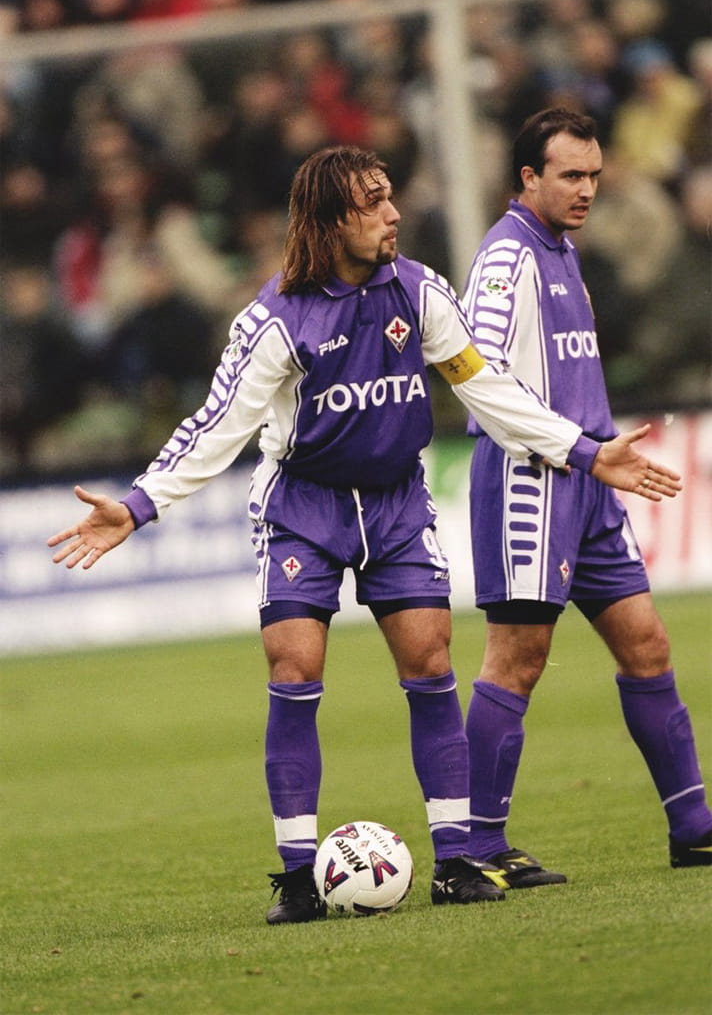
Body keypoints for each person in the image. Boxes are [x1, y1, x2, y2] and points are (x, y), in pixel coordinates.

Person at [48, 146, 681, 925]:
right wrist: (139, 505)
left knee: (431, 659)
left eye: (390, 197)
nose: (393, 213)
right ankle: (295, 877)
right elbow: (219, 424)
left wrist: (584, 452)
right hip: (303, 509)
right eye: (373, 202)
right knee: (295, 665)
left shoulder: (418, 289)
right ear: (330, 220)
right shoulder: (276, 318)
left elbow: (487, 388)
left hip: (395, 504)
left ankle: (456, 861)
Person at [461, 108, 711, 889]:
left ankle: (694, 830)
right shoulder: (506, 258)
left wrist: (595, 453)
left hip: (591, 480)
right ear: (527, 177)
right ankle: (475, 847)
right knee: (518, 658)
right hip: (531, 480)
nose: (587, 190)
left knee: (647, 646)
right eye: (571, 175)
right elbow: (477, 376)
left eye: (595, 175)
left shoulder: (564, 252)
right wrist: (578, 448)